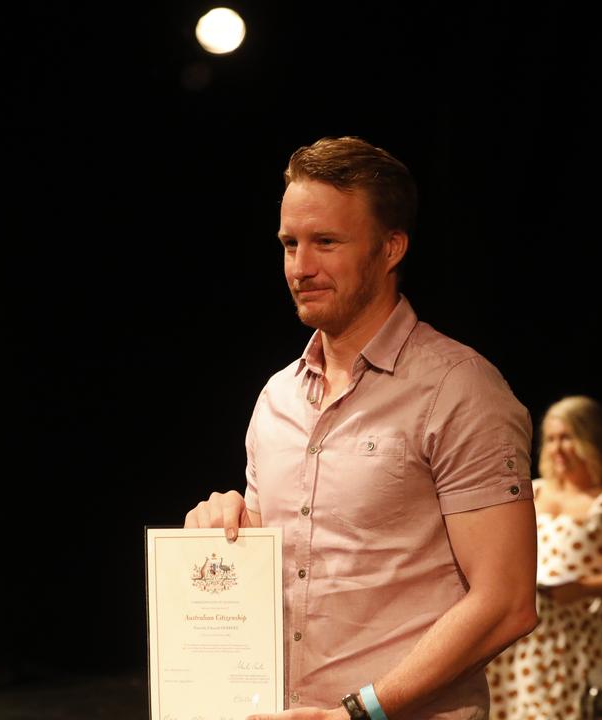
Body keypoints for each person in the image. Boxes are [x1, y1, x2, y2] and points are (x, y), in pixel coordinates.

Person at [185, 136, 538, 720]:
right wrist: (227, 523)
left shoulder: (459, 388)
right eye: (290, 244)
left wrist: (357, 712)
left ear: (391, 247)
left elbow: (506, 603)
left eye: (326, 242)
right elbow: (281, 569)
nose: (301, 267)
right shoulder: (276, 397)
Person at [485, 396, 602, 720]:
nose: (557, 448)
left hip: (582, 629)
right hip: (524, 624)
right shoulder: (531, 493)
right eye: (551, 439)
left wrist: (582, 587)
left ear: (594, 441)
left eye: (568, 438)